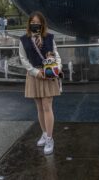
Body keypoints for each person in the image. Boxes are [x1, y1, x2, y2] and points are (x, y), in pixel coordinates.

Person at [19, 11, 62, 155]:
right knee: (39, 107)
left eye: (37, 22)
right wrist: (35, 72)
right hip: (34, 75)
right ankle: (44, 133)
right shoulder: (24, 39)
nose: (34, 24)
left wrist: (57, 70)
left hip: (49, 76)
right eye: (32, 22)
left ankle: (50, 138)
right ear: (29, 23)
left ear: (42, 24)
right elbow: (23, 59)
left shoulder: (49, 38)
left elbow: (56, 55)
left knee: (47, 106)